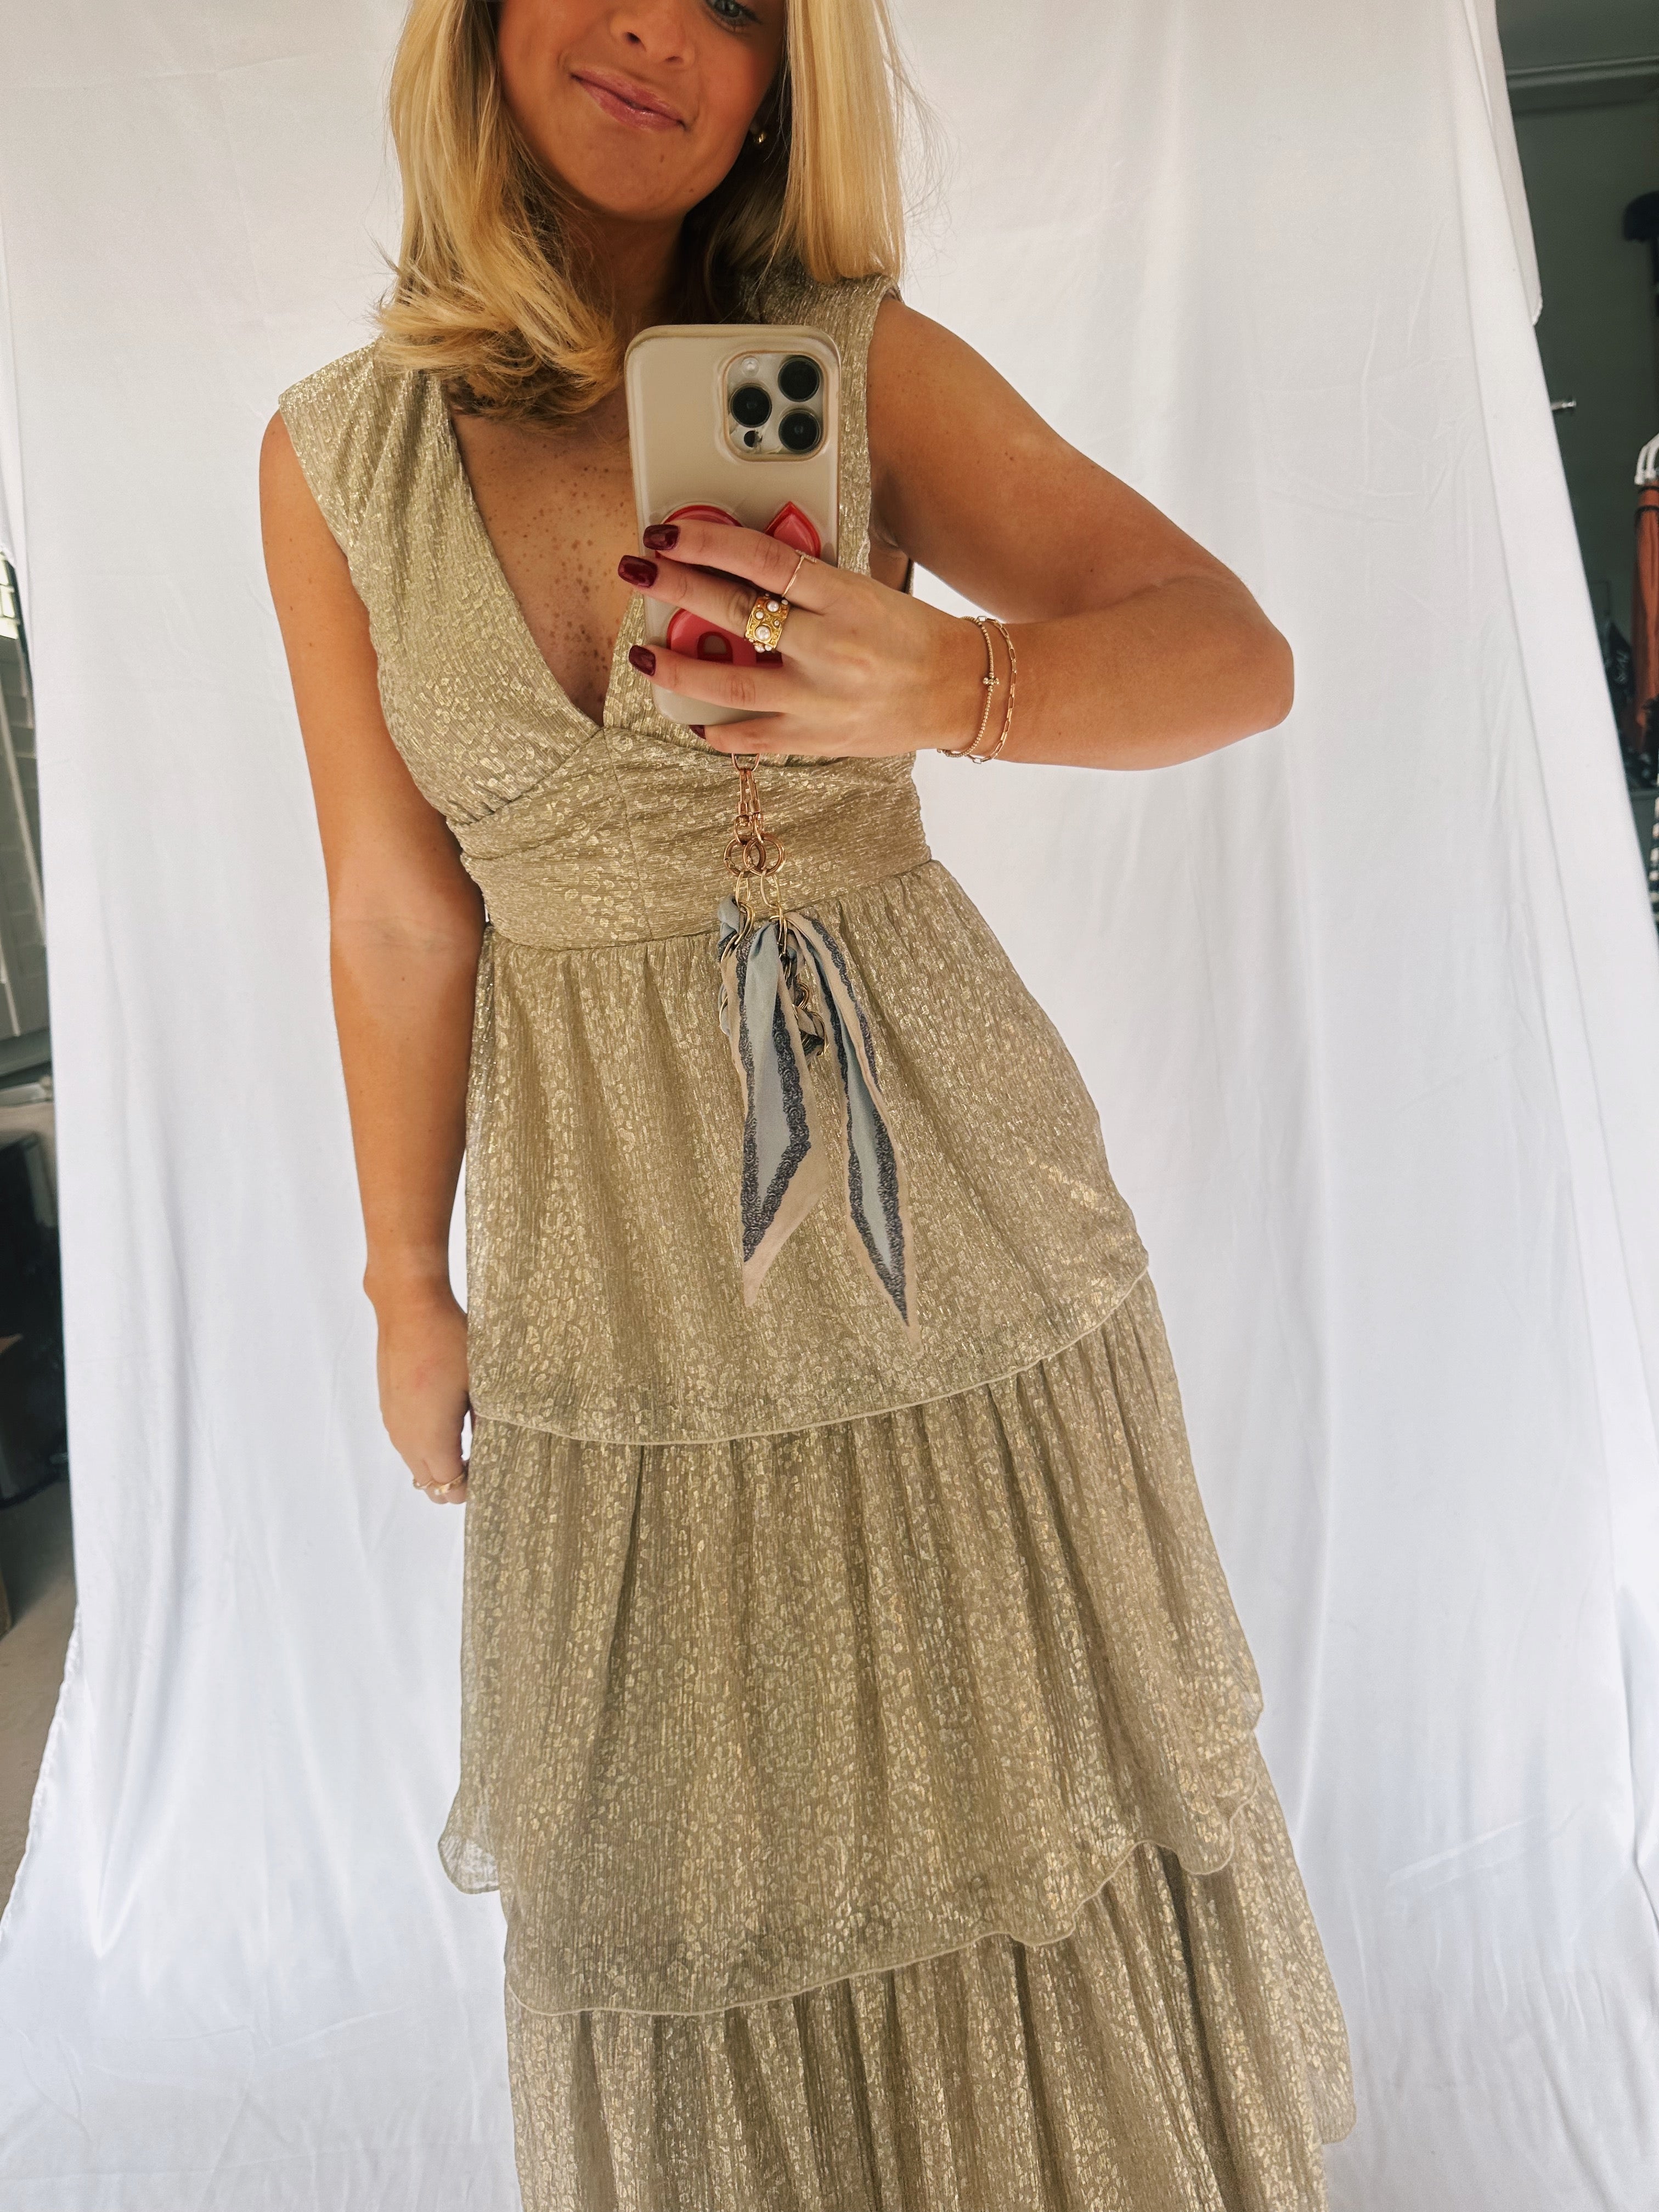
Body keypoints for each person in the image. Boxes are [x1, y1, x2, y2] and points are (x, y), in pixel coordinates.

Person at [260, 0, 1355, 2202]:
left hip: (933, 1214)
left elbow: (1234, 653)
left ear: (783, 86)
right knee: (677, 1856)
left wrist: (952, 679)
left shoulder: (850, 371)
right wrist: (402, 1281)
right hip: (604, 1264)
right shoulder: (334, 458)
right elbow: (391, 913)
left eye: (742, 8)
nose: (659, 31)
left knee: (1005, 1792)